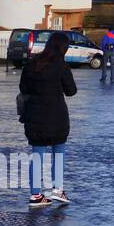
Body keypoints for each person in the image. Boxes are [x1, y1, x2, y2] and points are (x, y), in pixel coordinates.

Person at [21, 31, 77, 207]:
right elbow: (71, 90)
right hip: (57, 117)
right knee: (58, 153)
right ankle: (58, 190)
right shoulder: (60, 65)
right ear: (63, 48)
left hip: (34, 117)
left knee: (37, 155)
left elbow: (23, 87)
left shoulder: (32, 63)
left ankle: (36, 194)